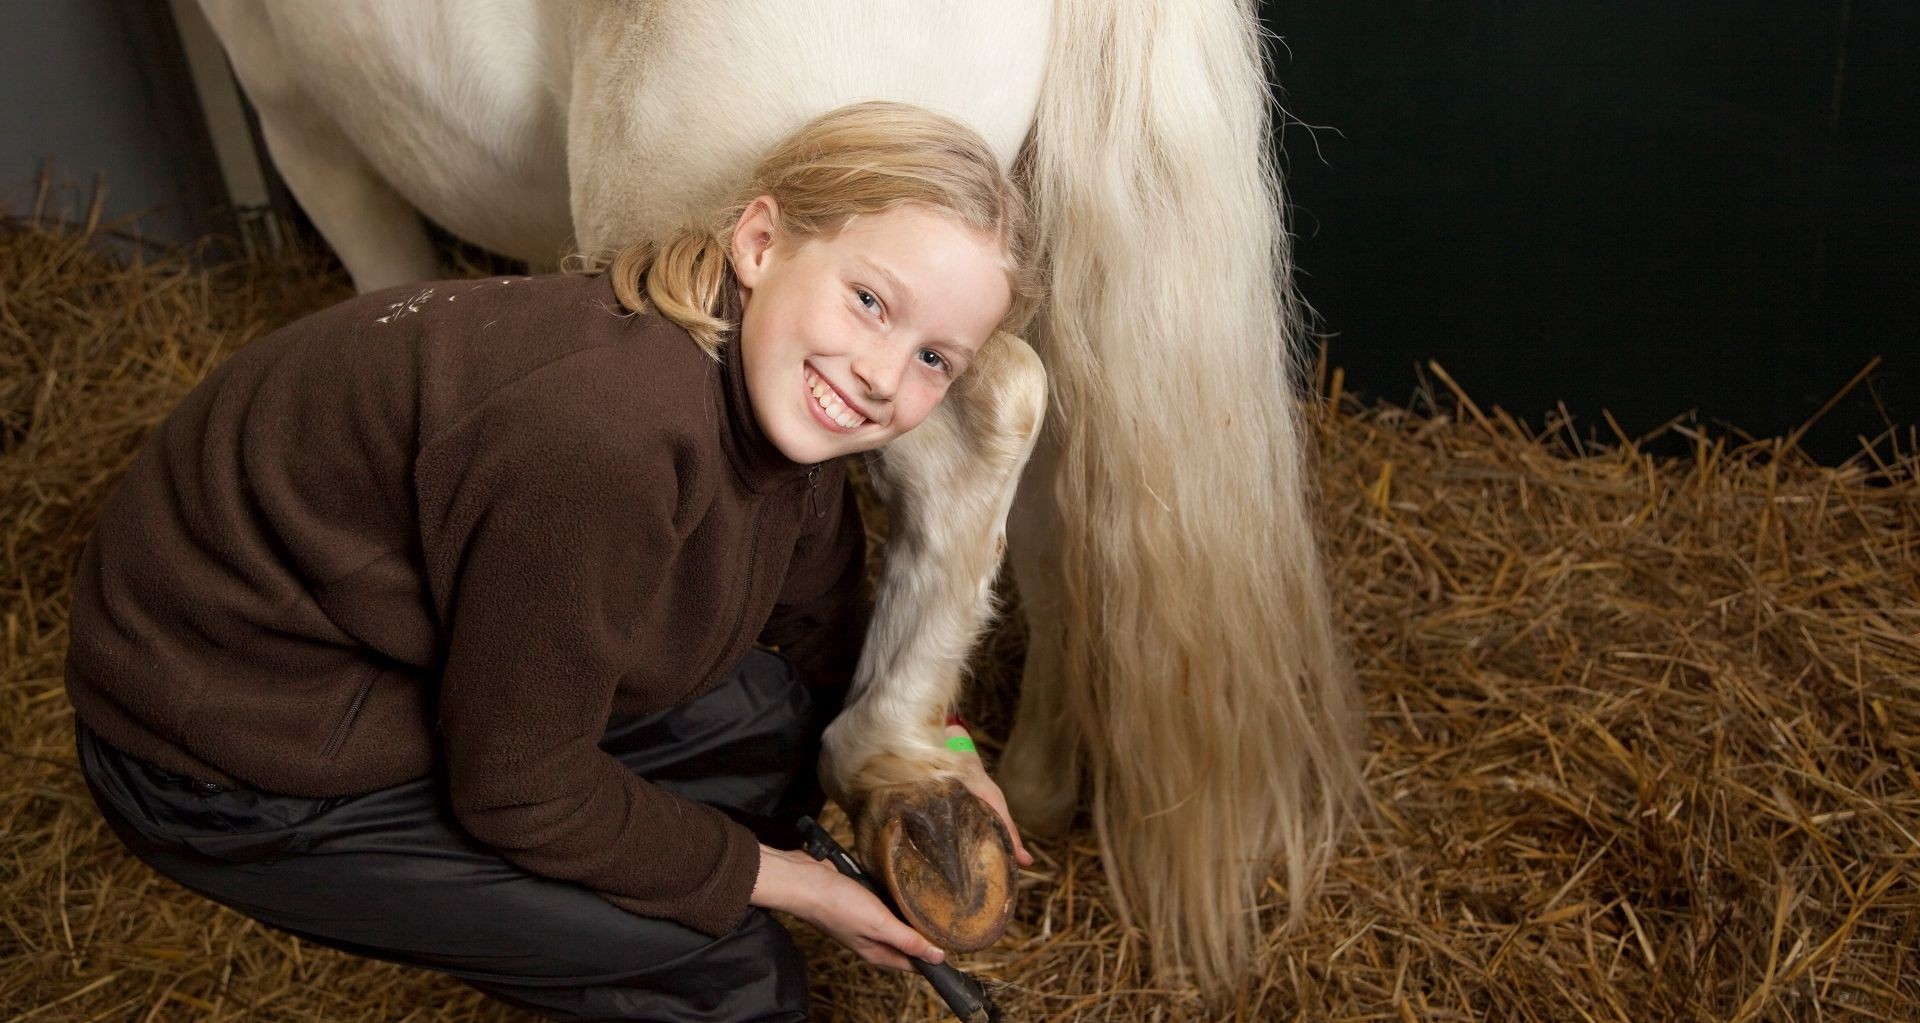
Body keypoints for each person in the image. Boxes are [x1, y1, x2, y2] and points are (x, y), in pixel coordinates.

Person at [64, 100, 1043, 1021]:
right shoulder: (604, 436)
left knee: (768, 713)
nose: (881, 374)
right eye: (872, 301)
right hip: (232, 745)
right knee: (724, 973)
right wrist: (787, 885)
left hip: (378, 653)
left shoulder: (786, 403)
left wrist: (940, 754)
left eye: (933, 360)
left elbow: (822, 631)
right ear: (760, 243)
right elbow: (517, 790)